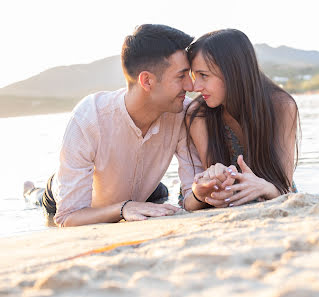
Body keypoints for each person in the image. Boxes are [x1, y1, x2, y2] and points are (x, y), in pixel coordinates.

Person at [24, 24, 204, 227]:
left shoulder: (182, 112)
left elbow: (192, 193)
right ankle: (30, 190)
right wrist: (123, 208)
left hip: (143, 192)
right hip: (69, 197)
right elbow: (67, 217)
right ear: (147, 81)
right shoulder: (89, 118)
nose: (191, 86)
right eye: (181, 76)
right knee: (38, 199)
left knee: (161, 193)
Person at [182, 29, 300, 211]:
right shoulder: (198, 114)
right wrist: (217, 184)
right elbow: (213, 185)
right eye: (194, 76)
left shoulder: (281, 106)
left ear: (233, 72)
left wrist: (264, 187)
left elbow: (284, 186)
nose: (196, 86)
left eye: (203, 75)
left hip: (273, 195)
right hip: (226, 202)